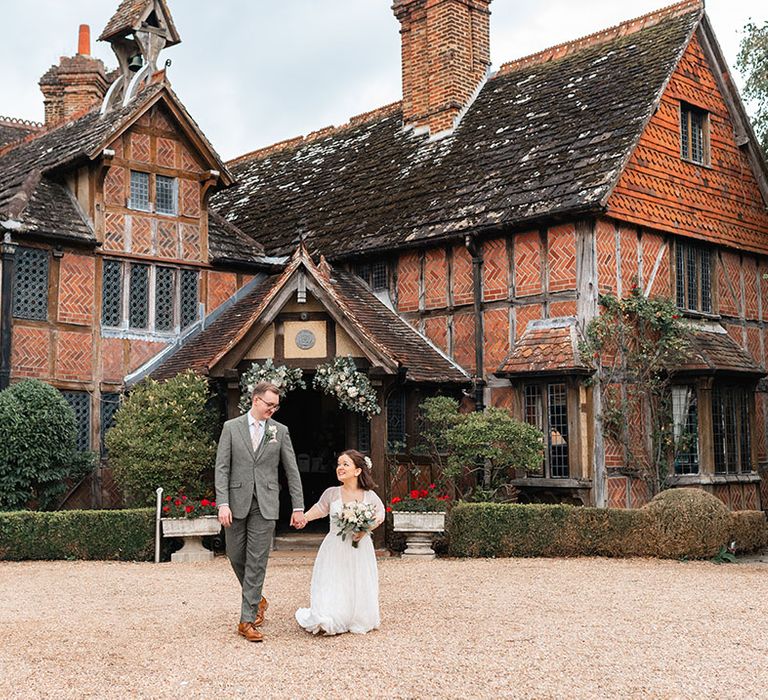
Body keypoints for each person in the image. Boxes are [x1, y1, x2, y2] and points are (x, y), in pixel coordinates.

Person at [215, 382, 305, 642]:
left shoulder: (280, 431)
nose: (272, 410)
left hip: (266, 503)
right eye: (269, 405)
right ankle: (258, 599)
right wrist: (223, 502)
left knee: (257, 561)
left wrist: (298, 506)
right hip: (235, 501)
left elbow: (291, 470)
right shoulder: (231, 428)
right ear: (255, 400)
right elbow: (222, 468)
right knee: (234, 555)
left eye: (276, 406)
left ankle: (247, 620)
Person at [295, 449, 385, 635]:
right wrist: (304, 518)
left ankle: (357, 616)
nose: (340, 468)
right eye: (339, 464)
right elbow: (320, 509)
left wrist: (365, 530)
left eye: (345, 464)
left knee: (357, 579)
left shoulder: (369, 495)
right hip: (335, 545)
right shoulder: (332, 493)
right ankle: (331, 615)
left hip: (360, 547)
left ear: (358, 471)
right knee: (333, 578)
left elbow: (380, 513)